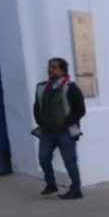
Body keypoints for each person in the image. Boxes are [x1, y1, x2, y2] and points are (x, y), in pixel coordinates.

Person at [33, 57, 86, 200]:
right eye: (50, 67)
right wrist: (40, 121)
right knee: (43, 158)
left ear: (63, 70)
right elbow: (37, 107)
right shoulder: (42, 87)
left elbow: (80, 110)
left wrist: (67, 122)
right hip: (47, 133)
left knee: (70, 162)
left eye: (55, 67)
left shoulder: (71, 88)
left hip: (65, 133)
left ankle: (76, 189)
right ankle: (51, 184)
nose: (50, 69)